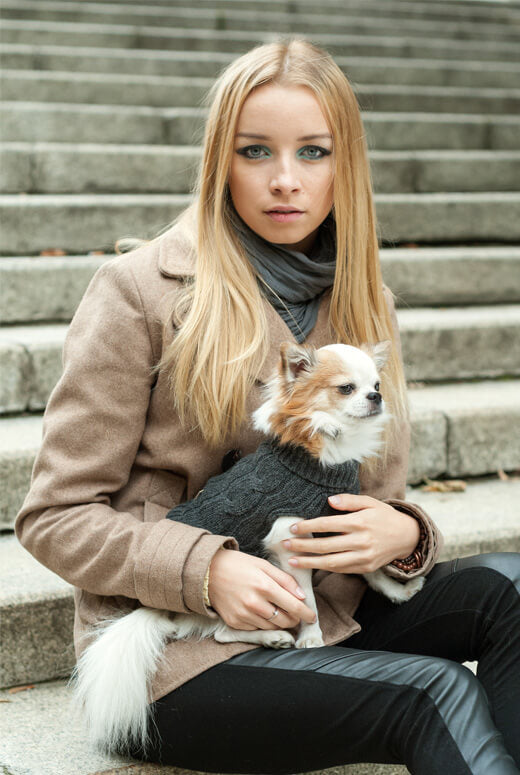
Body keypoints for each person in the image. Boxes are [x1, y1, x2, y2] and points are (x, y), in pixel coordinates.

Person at [15, 38, 519, 775]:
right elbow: (53, 517)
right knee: (433, 692)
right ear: (222, 158)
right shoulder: (137, 291)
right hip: (171, 653)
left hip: (325, 613)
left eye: (313, 152)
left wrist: (401, 531)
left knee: (512, 589)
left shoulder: (363, 297)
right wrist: (207, 569)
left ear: (344, 163)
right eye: (256, 152)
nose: (286, 180)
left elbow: (378, 499)